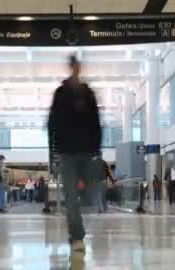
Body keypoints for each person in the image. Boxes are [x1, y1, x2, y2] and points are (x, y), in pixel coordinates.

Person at [48, 54, 101, 252]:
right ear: (72, 67)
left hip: (86, 152)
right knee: (70, 195)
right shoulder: (61, 93)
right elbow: (52, 123)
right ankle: (77, 234)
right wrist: (54, 150)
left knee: (88, 192)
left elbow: (96, 122)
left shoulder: (88, 94)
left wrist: (96, 149)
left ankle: (76, 229)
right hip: (67, 152)